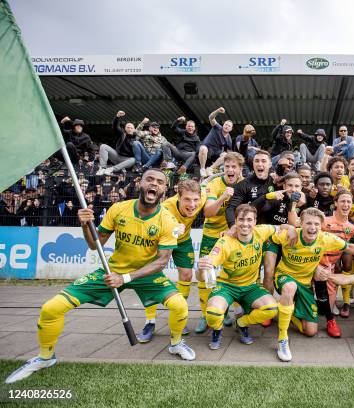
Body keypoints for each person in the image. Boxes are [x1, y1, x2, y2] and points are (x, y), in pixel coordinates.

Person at [5, 169, 194, 384]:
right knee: (51, 308)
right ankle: (45, 357)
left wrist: (126, 279)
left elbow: (161, 261)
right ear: (140, 184)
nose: (154, 184)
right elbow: (94, 245)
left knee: (179, 305)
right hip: (111, 270)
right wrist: (86, 225)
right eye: (149, 179)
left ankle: (176, 343)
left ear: (164, 190)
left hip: (146, 273)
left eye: (160, 182)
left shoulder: (167, 221)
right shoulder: (119, 209)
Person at [197, 205, 297, 350]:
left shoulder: (261, 231)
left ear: (255, 221)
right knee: (213, 313)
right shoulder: (225, 242)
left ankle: (242, 323)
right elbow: (201, 277)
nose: (245, 224)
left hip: (250, 286)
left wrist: (292, 229)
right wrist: (201, 268)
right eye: (241, 220)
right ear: (235, 221)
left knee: (271, 309)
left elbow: (281, 227)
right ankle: (217, 330)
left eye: (249, 220)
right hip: (227, 285)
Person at [271, 208, 354, 362]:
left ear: (321, 226)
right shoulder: (290, 235)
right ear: (301, 223)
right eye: (308, 223)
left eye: (316, 224)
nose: (312, 227)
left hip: (305, 283)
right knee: (290, 287)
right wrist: (288, 227)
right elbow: (271, 231)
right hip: (284, 277)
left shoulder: (325, 238)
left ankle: (287, 312)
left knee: (311, 331)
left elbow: (351, 248)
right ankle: (282, 339)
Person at [137, 180, 207, 342]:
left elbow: (207, 191)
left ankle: (179, 317)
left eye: (196, 200)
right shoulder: (165, 208)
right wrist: (172, 228)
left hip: (183, 241)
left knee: (187, 275)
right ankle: (150, 321)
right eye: (187, 200)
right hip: (160, 241)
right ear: (178, 197)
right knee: (151, 277)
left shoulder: (201, 198)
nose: (192, 204)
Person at [196, 152, 245, 333]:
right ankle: (204, 315)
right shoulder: (214, 184)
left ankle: (225, 310)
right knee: (205, 273)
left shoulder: (244, 185)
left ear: (240, 169)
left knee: (233, 273)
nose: (230, 170)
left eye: (234, 167)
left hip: (233, 235)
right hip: (211, 234)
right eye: (227, 166)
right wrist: (223, 197)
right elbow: (207, 213)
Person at [315, 191, 354, 335]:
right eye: (343, 201)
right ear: (336, 203)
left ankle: (329, 320)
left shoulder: (353, 227)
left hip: (329, 268)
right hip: (311, 262)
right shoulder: (324, 221)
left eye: (349, 202)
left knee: (329, 300)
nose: (346, 204)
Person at [226, 150, 275, 227]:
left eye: (263, 161)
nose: (260, 164)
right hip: (250, 230)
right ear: (253, 164)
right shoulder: (243, 185)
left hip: (273, 230)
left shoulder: (276, 182)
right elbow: (231, 209)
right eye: (256, 161)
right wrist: (233, 226)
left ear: (270, 164)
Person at [97, 111, 136, 175]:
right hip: (117, 156)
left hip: (126, 160)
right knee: (103, 146)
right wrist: (117, 116)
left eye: (131, 128)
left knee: (133, 160)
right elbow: (115, 127)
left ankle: (111, 169)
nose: (129, 129)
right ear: (125, 129)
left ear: (134, 130)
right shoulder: (122, 134)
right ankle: (103, 168)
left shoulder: (136, 139)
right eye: (128, 127)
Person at [199, 107, 234, 177]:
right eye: (226, 124)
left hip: (215, 153)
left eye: (229, 126)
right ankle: (202, 169)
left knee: (226, 155)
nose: (227, 126)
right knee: (203, 148)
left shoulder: (229, 139)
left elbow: (229, 152)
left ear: (231, 129)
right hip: (207, 148)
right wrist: (218, 111)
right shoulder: (217, 127)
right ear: (223, 125)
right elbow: (211, 118)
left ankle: (210, 169)